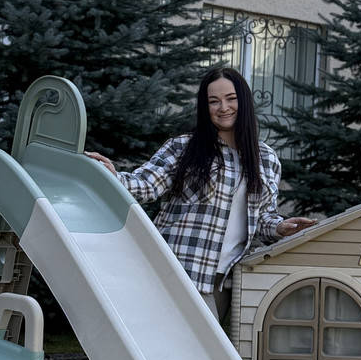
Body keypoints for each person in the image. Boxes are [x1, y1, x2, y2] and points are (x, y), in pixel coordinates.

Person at [87, 66, 315, 322]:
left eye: (231, 98)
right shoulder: (183, 147)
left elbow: (260, 218)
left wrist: (280, 227)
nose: (223, 107)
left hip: (226, 280)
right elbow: (147, 184)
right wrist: (114, 176)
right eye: (213, 101)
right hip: (181, 268)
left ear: (244, 101)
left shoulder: (266, 158)